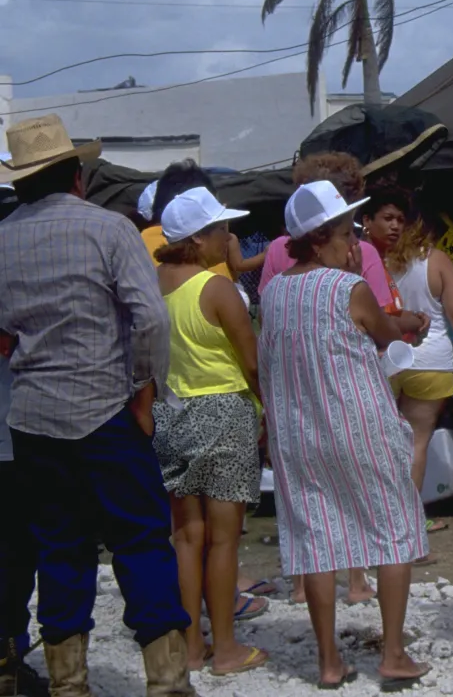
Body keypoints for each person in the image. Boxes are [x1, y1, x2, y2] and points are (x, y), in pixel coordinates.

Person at [0, 115, 197, 696]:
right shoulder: (110, 230)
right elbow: (151, 319)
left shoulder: (1, 238)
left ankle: (69, 684)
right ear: (77, 176)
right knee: (140, 542)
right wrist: (144, 388)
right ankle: (165, 680)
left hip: (33, 415)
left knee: (60, 545)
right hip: (107, 407)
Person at [258, 181, 431, 691]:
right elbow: (387, 335)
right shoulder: (346, 287)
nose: (353, 240)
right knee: (394, 530)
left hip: (298, 431)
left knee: (316, 539)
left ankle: (329, 662)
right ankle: (394, 654)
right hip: (357, 424)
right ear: (322, 238)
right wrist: (357, 279)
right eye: (345, 231)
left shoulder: (272, 294)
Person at [151, 188, 269, 676]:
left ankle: (191, 648)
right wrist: (267, 412)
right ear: (199, 238)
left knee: (185, 537)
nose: (229, 237)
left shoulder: (152, 284)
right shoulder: (216, 288)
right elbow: (251, 362)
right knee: (223, 541)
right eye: (221, 229)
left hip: (171, 414)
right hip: (223, 413)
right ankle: (225, 648)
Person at [369, 187, 453, 537]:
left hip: (383, 361)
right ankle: (407, 525)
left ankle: (379, 521)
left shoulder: (369, 261)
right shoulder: (436, 259)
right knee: (416, 443)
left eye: (400, 218)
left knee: (382, 445)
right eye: (391, 218)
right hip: (430, 361)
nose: (396, 224)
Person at [0, 333, 48, 697]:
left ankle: (9, 661)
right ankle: (8, 661)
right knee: (15, 559)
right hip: (18, 437)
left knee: (17, 560)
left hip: (18, 436)